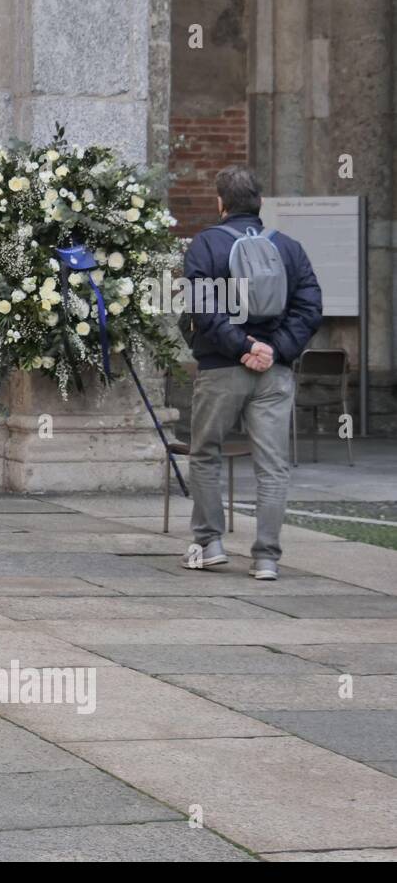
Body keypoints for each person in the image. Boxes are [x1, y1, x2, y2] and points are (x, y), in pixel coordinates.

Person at [182, 165, 322, 581]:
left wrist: (243, 347)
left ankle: (210, 544)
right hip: (275, 372)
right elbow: (310, 308)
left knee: (205, 453)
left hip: (221, 368)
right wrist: (273, 349)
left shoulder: (206, 245)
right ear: (260, 203)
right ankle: (266, 558)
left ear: (220, 204)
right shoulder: (290, 248)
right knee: (273, 466)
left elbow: (204, 310)